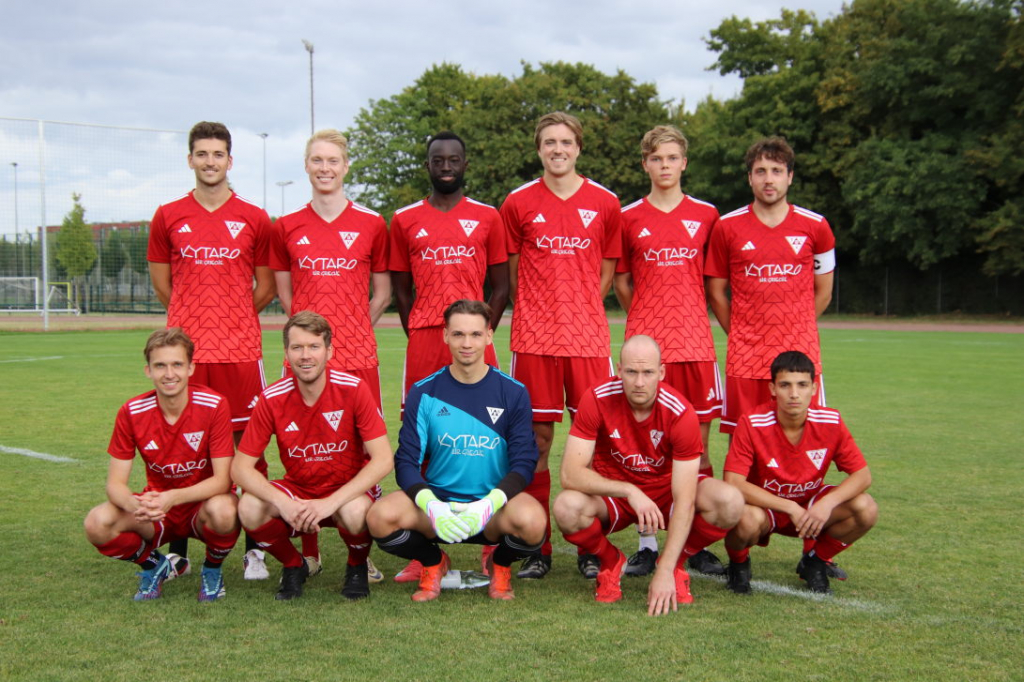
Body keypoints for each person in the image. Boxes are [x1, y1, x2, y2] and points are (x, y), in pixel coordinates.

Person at [147, 121, 275, 581]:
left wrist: (232, 317)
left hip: (240, 353)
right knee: (185, 446)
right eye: (201, 153)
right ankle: (179, 550)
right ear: (190, 160)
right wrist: (192, 321)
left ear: (229, 161)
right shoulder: (168, 215)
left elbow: (266, 286)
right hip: (188, 356)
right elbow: (163, 285)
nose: (210, 161)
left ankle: (255, 550)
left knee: (250, 449)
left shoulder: (255, 217)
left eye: (218, 154)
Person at [499, 111, 621, 578]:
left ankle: (590, 547)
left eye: (566, 142)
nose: (558, 149)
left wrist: (580, 307)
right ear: (539, 149)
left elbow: (606, 272)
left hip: (588, 339)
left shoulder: (605, 202)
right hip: (534, 339)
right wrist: (539, 309)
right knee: (536, 440)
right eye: (549, 142)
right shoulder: (518, 203)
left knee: (595, 443)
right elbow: (514, 273)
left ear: (578, 148)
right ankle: (539, 546)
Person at [387, 130, 510, 583]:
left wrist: (480, 332)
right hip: (425, 338)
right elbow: (401, 290)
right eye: (437, 159)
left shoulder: (488, 216)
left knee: (488, 437)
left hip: (476, 341)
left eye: (453, 159)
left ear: (464, 164)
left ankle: (491, 540)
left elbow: (501, 286)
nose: (445, 166)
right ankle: (426, 551)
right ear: (427, 165)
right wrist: (423, 330)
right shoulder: (404, 219)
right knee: (421, 439)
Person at [270, 129, 391, 577]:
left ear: (345, 166)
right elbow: (286, 295)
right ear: (306, 166)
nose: (325, 168)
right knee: (303, 450)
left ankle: (361, 552)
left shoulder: (372, 223)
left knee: (361, 452)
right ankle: (310, 551)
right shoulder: (287, 226)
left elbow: (382, 293)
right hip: (305, 358)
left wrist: (353, 328)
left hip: (358, 356)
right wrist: (310, 341)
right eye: (317, 160)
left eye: (333, 161)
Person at [367, 300, 546, 602]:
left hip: (491, 510)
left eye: (475, 334)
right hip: (437, 507)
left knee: (533, 522)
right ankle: (433, 562)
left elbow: (525, 461)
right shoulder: (424, 392)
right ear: (445, 335)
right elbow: (406, 461)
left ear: (489, 336)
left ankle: (499, 565)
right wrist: (431, 505)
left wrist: (489, 503)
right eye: (459, 334)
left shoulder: (513, 392)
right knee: (379, 517)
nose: (467, 343)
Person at [554, 336, 743, 615]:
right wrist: (630, 491)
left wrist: (665, 568)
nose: (639, 382)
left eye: (648, 372)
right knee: (566, 507)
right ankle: (611, 561)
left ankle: (676, 565)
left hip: (665, 494)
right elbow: (570, 474)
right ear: (619, 370)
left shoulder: (680, 413)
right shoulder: (597, 398)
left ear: (661, 372)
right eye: (631, 372)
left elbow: (685, 499)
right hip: (616, 496)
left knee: (730, 502)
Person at [613, 125, 725, 579]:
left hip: (695, 344)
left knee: (699, 448)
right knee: (645, 447)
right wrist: (645, 319)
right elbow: (623, 282)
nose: (665, 165)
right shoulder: (628, 217)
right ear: (645, 164)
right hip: (648, 354)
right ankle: (647, 544)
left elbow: (714, 282)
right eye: (656, 158)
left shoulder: (707, 215)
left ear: (684, 163)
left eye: (672, 157)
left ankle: (695, 542)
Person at [232, 311, 393, 601]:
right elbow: (240, 468)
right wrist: (284, 503)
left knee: (356, 511)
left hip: (346, 489)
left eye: (314, 347)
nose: (305, 355)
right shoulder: (272, 398)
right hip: (300, 489)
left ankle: (356, 566)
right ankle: (294, 565)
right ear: (286, 353)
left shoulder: (353, 389)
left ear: (329, 351)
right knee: (249, 507)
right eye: (297, 347)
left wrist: (330, 502)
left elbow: (383, 458)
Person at [83, 328, 240, 602]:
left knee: (225, 510)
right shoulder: (131, 412)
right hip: (157, 511)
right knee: (97, 523)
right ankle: (154, 565)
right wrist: (136, 505)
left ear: (190, 368)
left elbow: (222, 480)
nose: (169, 374)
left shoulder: (214, 405)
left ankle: (212, 569)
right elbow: (115, 485)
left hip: (200, 507)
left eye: (177, 364)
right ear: (148, 371)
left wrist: (172, 497)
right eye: (160, 366)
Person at [705, 136, 835, 436]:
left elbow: (824, 292)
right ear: (749, 178)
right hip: (746, 358)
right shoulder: (727, 227)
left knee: (803, 439)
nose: (768, 179)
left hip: (800, 356)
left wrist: (798, 327)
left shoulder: (817, 226)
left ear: (790, 177)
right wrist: (740, 333)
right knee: (744, 441)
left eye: (777, 171)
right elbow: (715, 292)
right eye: (760, 171)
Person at [722, 351, 877, 595]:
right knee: (744, 519)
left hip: (811, 505)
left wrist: (827, 503)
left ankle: (815, 562)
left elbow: (862, 475)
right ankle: (739, 564)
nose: (794, 394)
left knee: (866, 508)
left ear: (814, 388)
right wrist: (789, 507)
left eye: (802, 385)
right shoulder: (752, 422)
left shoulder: (831, 421)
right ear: (773, 389)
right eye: (785, 385)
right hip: (766, 507)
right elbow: (733, 482)